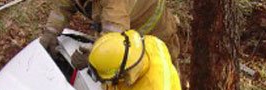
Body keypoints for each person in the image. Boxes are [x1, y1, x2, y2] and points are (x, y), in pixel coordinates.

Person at [40, 0, 181, 65]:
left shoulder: (115, 3)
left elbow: (113, 40)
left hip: (155, 36)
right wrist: (51, 32)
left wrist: (93, 58)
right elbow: (62, 7)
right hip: (125, 29)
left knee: (161, 86)